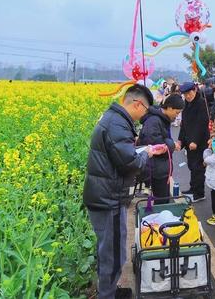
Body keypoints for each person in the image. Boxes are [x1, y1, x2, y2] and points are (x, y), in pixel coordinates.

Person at [84, 84, 167, 299]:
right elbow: (129, 163)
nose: (144, 115)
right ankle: (107, 294)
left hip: (105, 194)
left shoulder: (114, 119)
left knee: (109, 250)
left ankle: (108, 290)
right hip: (108, 199)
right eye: (145, 110)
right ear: (137, 104)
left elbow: (121, 154)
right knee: (113, 254)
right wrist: (147, 152)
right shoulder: (118, 124)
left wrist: (139, 150)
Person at [138, 94, 185, 203]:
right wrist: (172, 144)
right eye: (177, 112)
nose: (177, 116)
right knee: (162, 201)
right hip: (156, 169)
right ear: (169, 107)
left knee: (163, 199)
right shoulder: (154, 121)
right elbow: (155, 146)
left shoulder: (161, 119)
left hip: (160, 167)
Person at [178, 82, 210, 203]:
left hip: (199, 142)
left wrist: (195, 141)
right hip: (189, 142)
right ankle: (192, 188)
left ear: (195, 90)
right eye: (185, 94)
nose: (188, 96)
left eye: (189, 93)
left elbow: (202, 124)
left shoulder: (201, 103)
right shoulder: (186, 105)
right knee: (192, 166)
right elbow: (183, 124)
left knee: (198, 168)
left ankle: (199, 193)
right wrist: (181, 140)